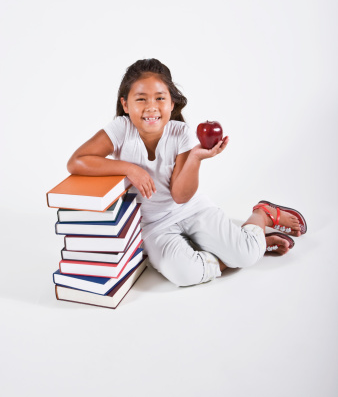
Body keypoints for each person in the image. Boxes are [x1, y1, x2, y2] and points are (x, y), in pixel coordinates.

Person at [67, 59, 307, 287]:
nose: (151, 107)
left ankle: (261, 216)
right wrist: (130, 168)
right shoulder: (120, 129)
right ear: (125, 105)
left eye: (160, 98)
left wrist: (194, 158)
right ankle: (246, 248)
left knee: (244, 255)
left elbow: (181, 196)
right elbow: (77, 161)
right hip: (152, 224)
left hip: (192, 208)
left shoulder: (181, 133)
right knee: (185, 273)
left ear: (171, 103)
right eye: (141, 99)